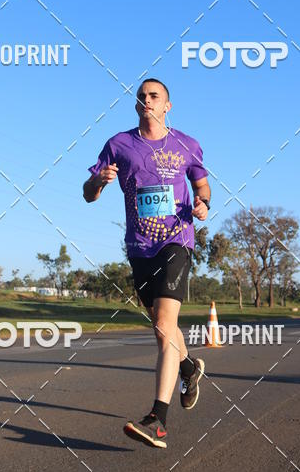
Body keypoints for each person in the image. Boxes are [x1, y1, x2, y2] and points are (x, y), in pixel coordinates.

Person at [83, 79, 210, 448]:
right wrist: (98, 180)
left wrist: (202, 204)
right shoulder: (118, 145)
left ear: (167, 105)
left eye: (155, 96)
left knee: (162, 324)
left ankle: (158, 419)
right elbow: (88, 195)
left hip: (177, 241)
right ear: (136, 105)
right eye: (142, 96)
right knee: (162, 327)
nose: (147, 100)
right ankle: (189, 367)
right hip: (139, 248)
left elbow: (203, 188)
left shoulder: (187, 144)